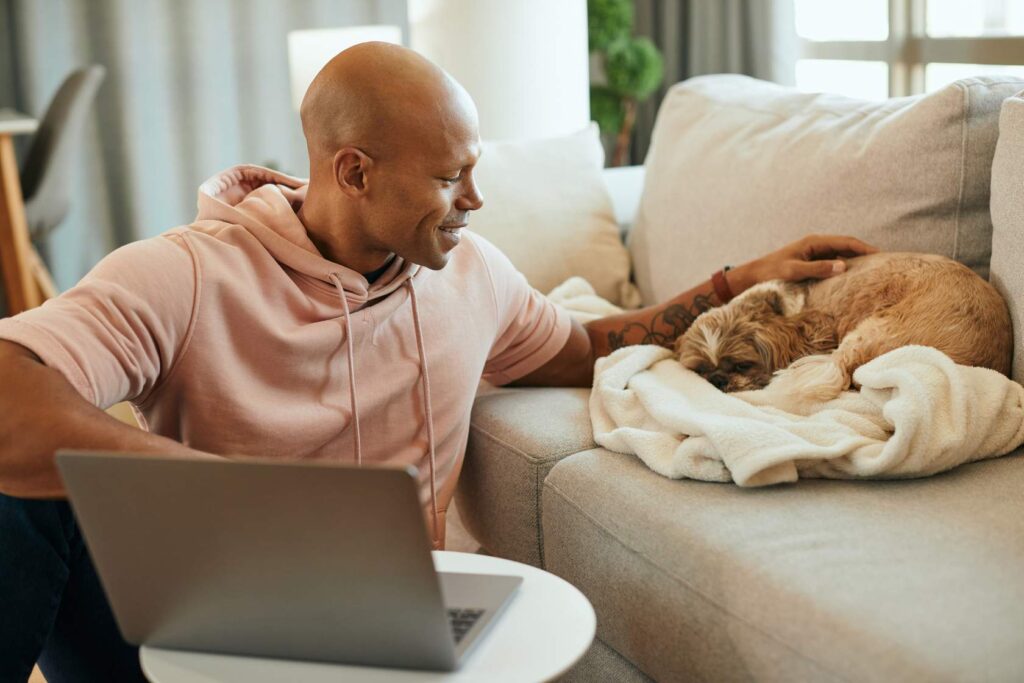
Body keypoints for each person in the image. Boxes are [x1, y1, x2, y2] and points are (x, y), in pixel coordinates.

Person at [0, 43, 875, 683]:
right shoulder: (185, 272)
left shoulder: (470, 275)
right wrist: (222, 495)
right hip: (194, 623)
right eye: (452, 177)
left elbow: (585, 346)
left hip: (383, 628)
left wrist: (734, 282)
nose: (476, 200)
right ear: (355, 172)